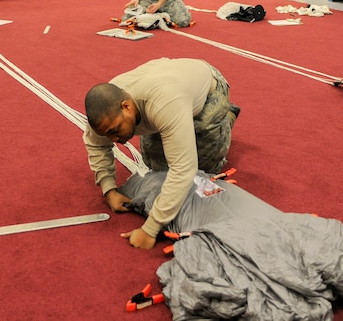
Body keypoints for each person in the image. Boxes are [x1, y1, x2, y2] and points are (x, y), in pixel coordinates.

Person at [83, 58, 240, 249]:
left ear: (127, 107)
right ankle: (175, 124)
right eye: (107, 134)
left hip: (208, 89)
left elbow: (183, 170)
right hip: (168, 91)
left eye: (116, 130)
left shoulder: (164, 103)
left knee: (201, 174)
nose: (114, 139)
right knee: (159, 171)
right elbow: (96, 145)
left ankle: (226, 116)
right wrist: (109, 190)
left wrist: (150, 229)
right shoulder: (105, 113)